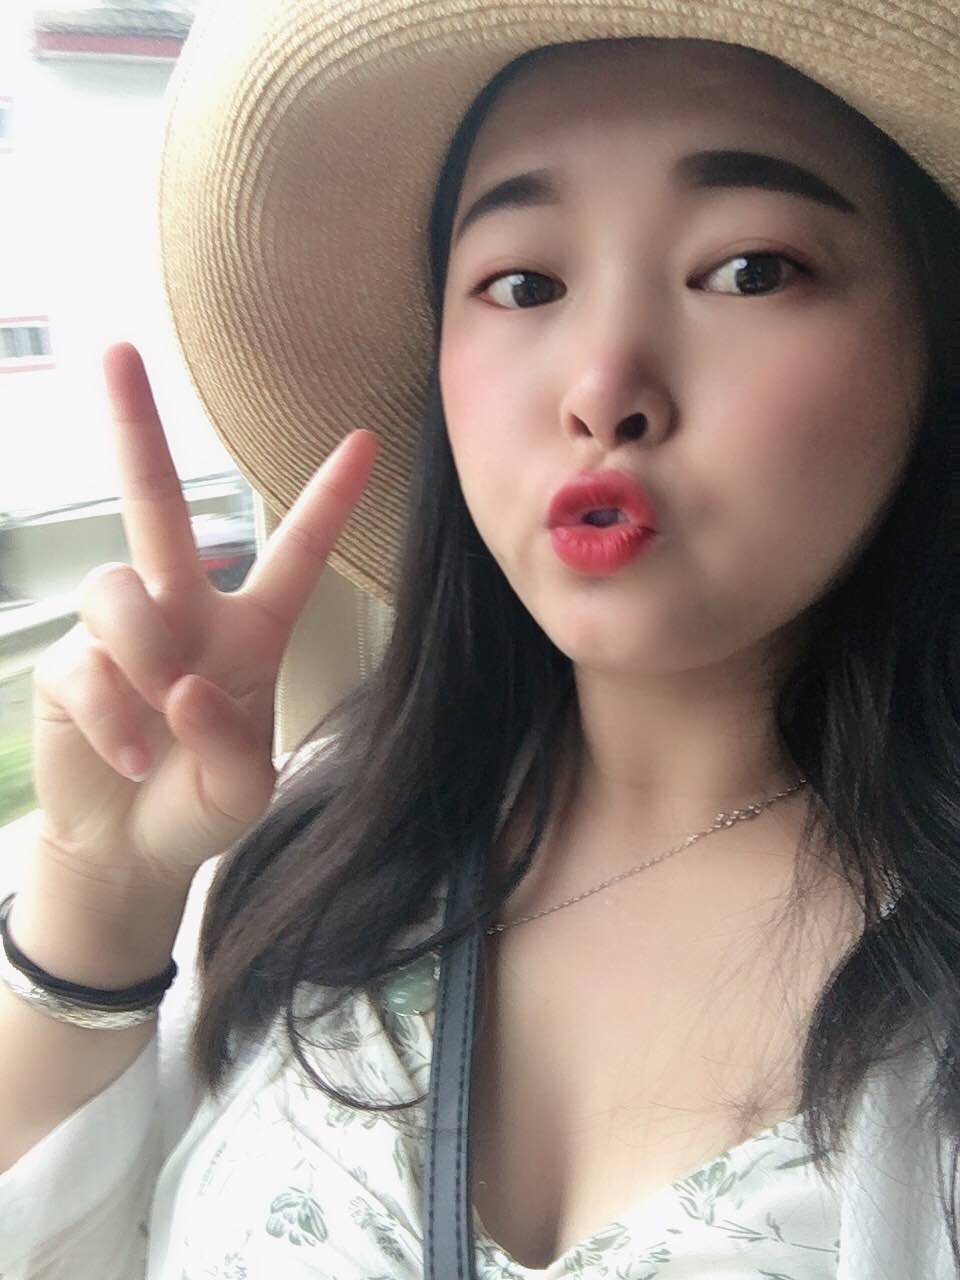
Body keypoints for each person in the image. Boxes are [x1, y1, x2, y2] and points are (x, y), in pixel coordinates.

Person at [0, 0, 957, 1276]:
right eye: (522, 284)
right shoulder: (318, 849)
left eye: (749, 269)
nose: (602, 386)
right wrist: (104, 896)